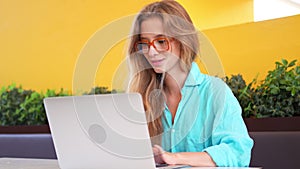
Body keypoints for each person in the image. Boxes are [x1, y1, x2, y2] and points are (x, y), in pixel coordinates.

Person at [127, 0, 253, 167]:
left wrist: (174, 158)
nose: (151, 51)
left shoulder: (215, 92)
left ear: (182, 40)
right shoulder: (142, 98)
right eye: (145, 43)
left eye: (161, 41)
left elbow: (238, 152)